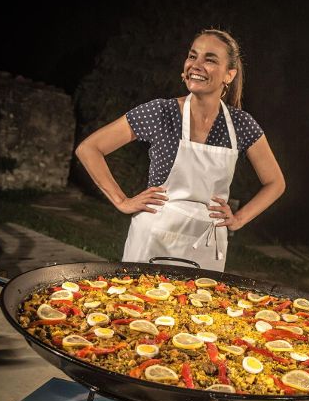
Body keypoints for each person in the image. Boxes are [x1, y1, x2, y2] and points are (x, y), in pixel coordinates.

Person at [75, 28, 286, 271]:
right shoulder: (160, 112)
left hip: (207, 247)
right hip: (153, 238)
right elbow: (89, 148)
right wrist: (122, 201)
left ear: (229, 75)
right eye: (192, 56)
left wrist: (238, 219)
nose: (196, 65)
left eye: (209, 59)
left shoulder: (241, 125)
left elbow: (275, 182)